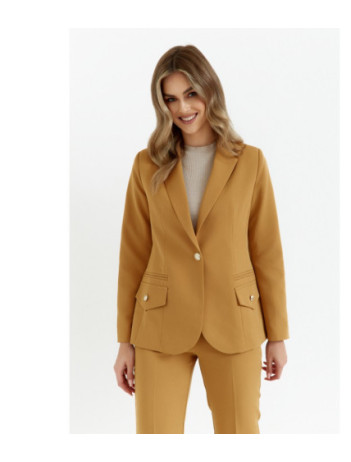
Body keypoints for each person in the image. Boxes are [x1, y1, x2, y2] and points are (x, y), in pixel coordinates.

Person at [113, 44, 290, 434]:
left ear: (210, 90)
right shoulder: (146, 165)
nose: (182, 107)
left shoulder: (250, 162)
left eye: (191, 93)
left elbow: (266, 252)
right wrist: (125, 341)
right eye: (170, 99)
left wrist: (277, 335)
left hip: (234, 322)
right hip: (160, 324)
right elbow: (133, 254)